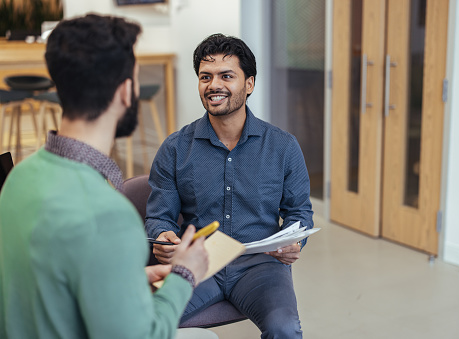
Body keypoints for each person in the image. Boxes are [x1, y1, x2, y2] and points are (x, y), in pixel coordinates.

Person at [0, 14, 215, 339]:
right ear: (126, 91)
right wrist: (184, 274)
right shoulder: (108, 215)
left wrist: (123, 278)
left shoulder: (18, 178)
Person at [145, 33, 314, 338]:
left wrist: (295, 242)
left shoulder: (283, 147)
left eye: (226, 76)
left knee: (285, 329)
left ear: (249, 84)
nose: (214, 85)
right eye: (205, 77)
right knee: (141, 322)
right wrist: (161, 237)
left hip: (260, 265)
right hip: (198, 264)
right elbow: (160, 217)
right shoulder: (174, 148)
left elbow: (299, 212)